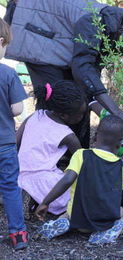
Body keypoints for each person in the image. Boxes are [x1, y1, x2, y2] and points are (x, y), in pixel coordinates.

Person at [4, 0, 123, 147]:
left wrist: (105, 109)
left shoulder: (111, 28)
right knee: (57, 102)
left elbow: (89, 80)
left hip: (56, 39)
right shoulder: (95, 21)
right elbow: (83, 69)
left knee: (79, 98)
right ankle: (41, 151)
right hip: (39, 35)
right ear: (122, 29)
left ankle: (75, 153)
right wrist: (117, 113)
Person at [35, 115, 123, 244]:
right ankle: (111, 230)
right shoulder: (120, 165)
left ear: (96, 136)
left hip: (77, 218)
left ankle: (63, 222)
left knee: (69, 210)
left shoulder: (81, 155)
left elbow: (67, 180)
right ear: (121, 142)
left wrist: (45, 202)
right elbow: (121, 193)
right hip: (103, 221)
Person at [17, 81, 84, 217]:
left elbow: (16, 142)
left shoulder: (35, 115)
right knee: (77, 190)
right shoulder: (67, 135)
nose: (82, 117)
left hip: (18, 174)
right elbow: (83, 161)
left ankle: (27, 194)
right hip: (45, 182)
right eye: (80, 114)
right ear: (64, 116)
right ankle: (36, 197)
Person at [0, 18, 28, 250]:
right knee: (10, 187)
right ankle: (18, 234)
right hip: (5, 144)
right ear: (1, 42)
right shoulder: (8, 73)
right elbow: (17, 109)